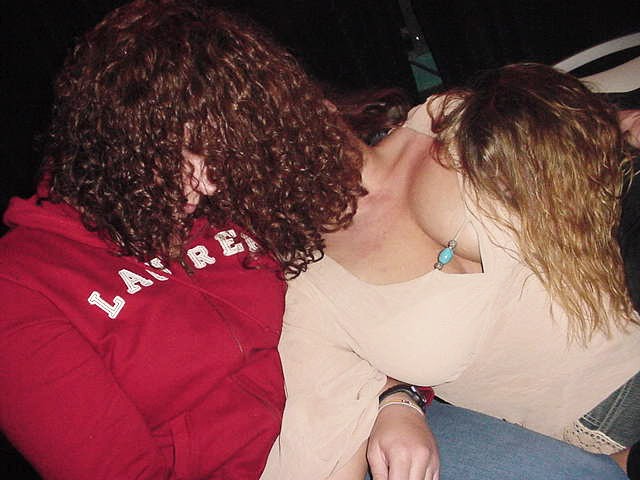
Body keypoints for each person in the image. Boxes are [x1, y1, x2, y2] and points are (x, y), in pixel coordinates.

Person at [0, 1, 369, 478]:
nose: (212, 183)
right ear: (119, 143)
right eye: (190, 152)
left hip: (363, 425)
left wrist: (398, 402)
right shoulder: (20, 287)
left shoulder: (227, 195)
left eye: (225, 151)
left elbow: (364, 309)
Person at [262, 63, 640, 479]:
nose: (286, 151)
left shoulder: (442, 120)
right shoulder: (307, 282)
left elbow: (585, 141)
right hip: (584, 438)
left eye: (284, 119)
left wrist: (619, 124)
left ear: (321, 104)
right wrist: (395, 399)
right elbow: (323, 436)